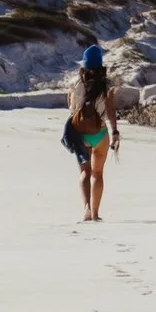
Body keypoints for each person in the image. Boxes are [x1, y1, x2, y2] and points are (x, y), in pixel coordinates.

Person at [64, 45, 120, 221]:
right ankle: (96, 213)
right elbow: (110, 111)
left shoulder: (74, 82)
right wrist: (115, 131)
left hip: (80, 133)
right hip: (100, 132)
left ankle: (86, 208)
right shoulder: (108, 84)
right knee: (98, 173)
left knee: (84, 172)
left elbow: (71, 107)